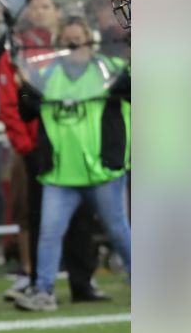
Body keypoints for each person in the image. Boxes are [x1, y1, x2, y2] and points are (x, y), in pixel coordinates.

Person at [14, 18, 131, 310]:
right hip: (61, 173)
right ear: (58, 45)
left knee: (118, 230)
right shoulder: (45, 75)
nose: (74, 45)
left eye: (79, 39)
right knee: (50, 232)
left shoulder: (110, 70)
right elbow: (26, 110)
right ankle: (43, 291)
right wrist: (24, 85)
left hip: (102, 169)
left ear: (91, 41)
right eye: (68, 41)